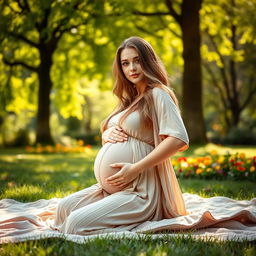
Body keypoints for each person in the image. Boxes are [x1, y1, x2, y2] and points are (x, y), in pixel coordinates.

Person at [0, 36, 255, 243]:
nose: (131, 68)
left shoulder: (159, 94)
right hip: (110, 187)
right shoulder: (130, 98)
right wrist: (106, 135)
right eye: (125, 63)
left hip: (141, 191)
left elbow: (178, 139)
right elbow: (124, 131)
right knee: (62, 210)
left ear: (148, 62)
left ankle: (132, 220)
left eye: (136, 61)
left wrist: (135, 168)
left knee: (76, 225)